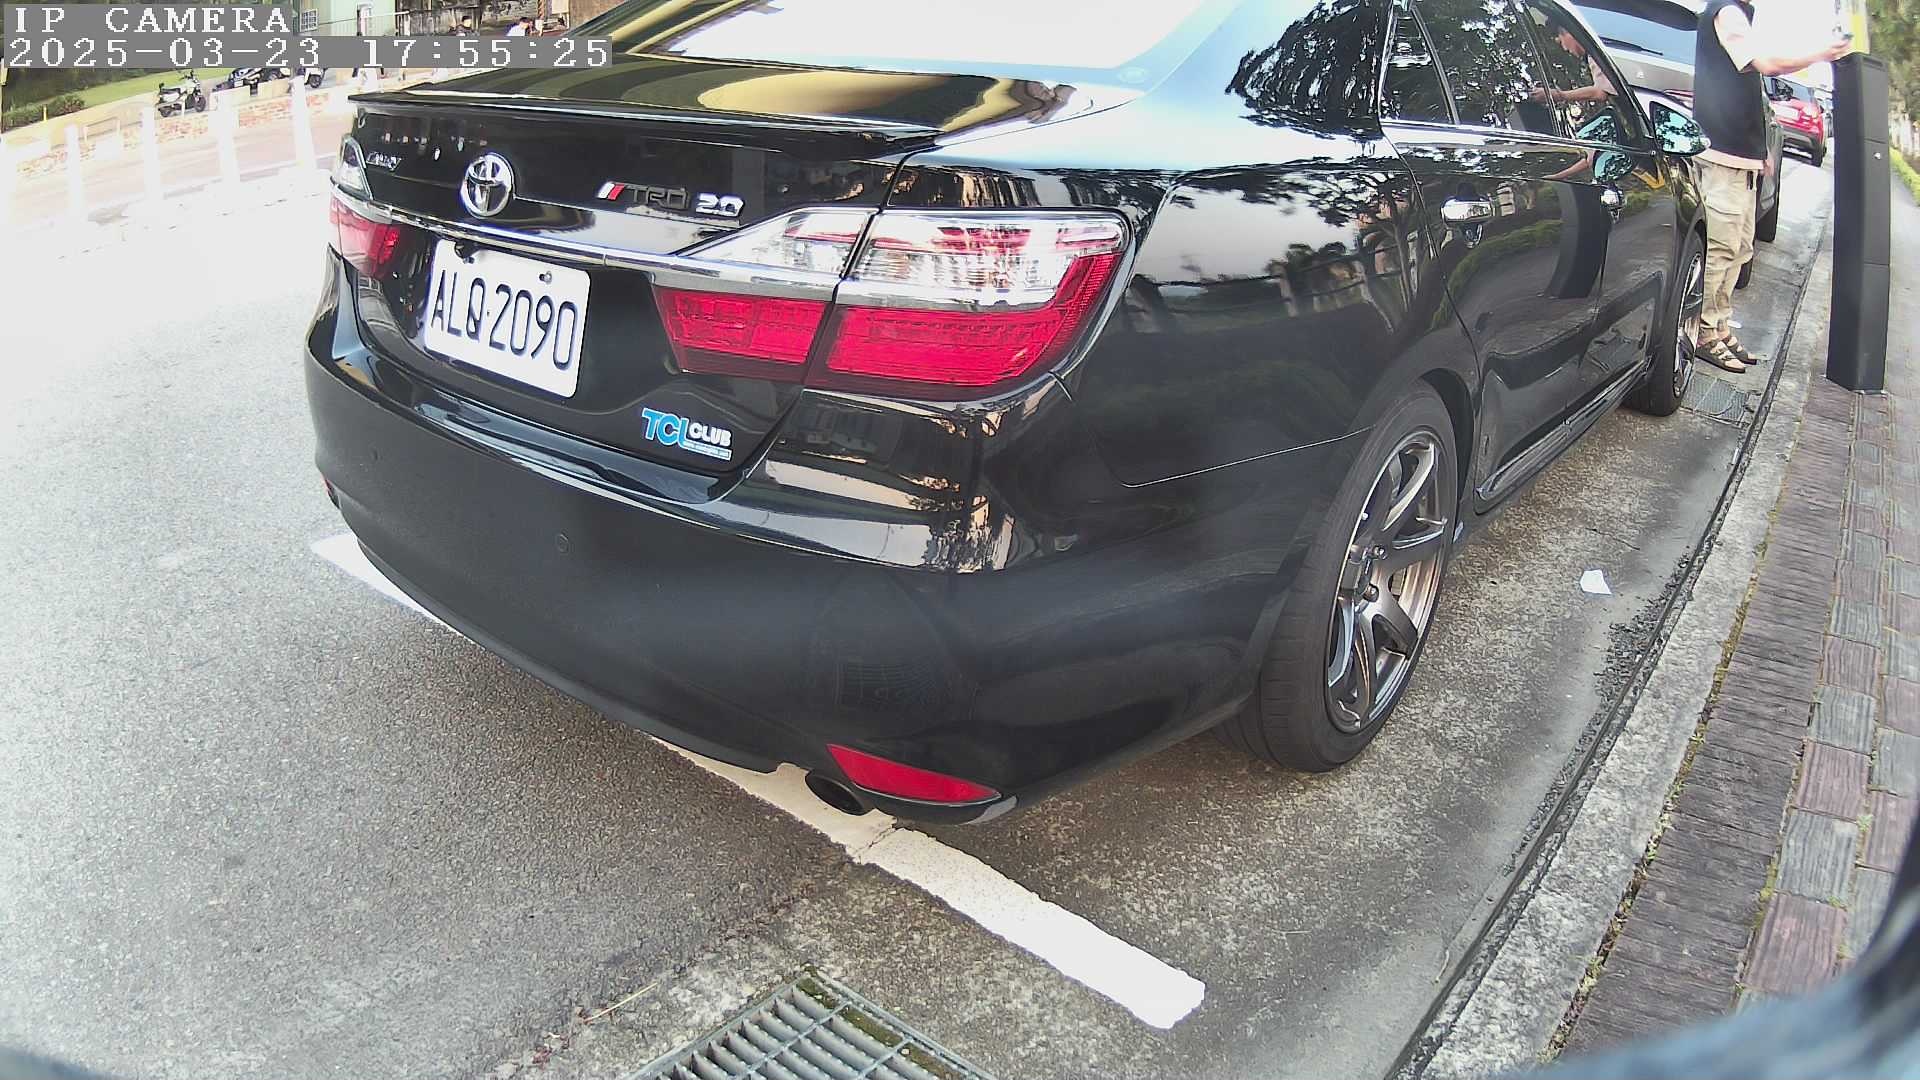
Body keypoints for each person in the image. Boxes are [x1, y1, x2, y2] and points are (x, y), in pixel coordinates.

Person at [1691, 0, 1848, 372]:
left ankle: (1720, 325)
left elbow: (1750, 89)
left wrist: (1761, 149)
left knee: (1740, 248)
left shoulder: (1740, 14)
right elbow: (1767, 63)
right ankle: (1703, 332)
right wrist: (1821, 53)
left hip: (1742, 159)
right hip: (1723, 157)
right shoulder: (1726, 12)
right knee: (1721, 249)